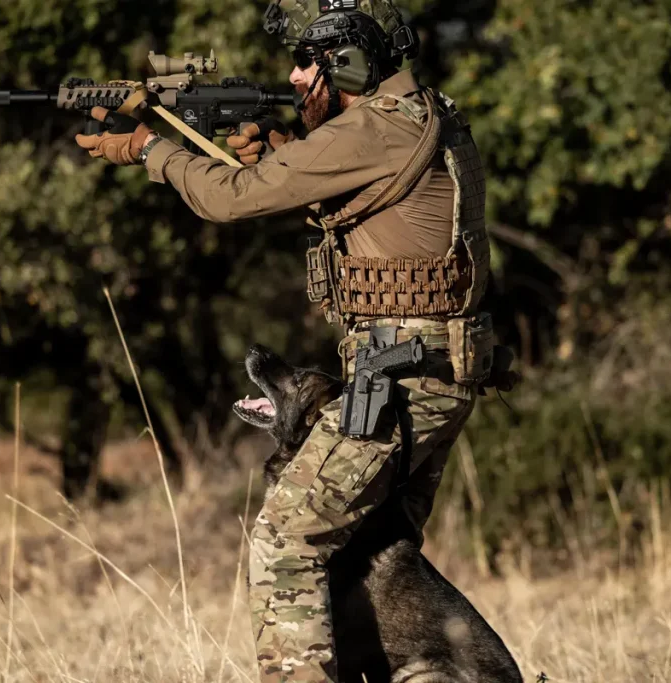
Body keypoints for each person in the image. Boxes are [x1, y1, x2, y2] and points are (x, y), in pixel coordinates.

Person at [74, 1, 493, 680]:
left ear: (348, 64)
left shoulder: (371, 128)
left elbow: (231, 199)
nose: (296, 78)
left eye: (308, 64)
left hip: (402, 378)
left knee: (285, 541)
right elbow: (360, 197)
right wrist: (274, 151)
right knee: (373, 558)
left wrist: (150, 150)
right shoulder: (422, 113)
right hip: (433, 370)